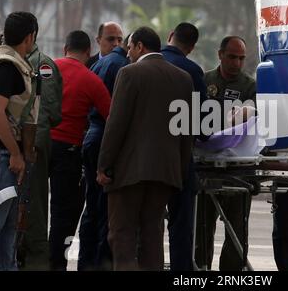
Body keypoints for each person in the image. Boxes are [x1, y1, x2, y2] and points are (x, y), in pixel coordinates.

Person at [96, 26, 194, 271]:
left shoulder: (129, 73)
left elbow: (116, 123)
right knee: (152, 236)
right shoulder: (183, 78)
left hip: (129, 172)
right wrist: (179, 170)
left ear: (140, 46)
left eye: (129, 47)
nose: (127, 53)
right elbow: (185, 131)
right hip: (165, 173)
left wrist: (104, 165)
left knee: (122, 235)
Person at [49, 30, 111, 271]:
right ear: (88, 53)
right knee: (63, 214)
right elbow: (111, 117)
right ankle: (56, 264)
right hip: (69, 151)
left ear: (65, 49)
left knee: (33, 209)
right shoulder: (91, 79)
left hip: (41, 146)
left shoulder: (48, 70)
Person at [195, 36, 256, 271]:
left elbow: (254, 122)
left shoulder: (250, 86)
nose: (237, 63)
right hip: (206, 166)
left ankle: (231, 274)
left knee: (237, 231)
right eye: (232, 57)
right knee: (202, 227)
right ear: (220, 54)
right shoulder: (205, 80)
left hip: (238, 168)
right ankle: (200, 269)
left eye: (241, 58)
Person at [77, 34, 130, 271]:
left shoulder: (102, 61)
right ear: (134, 47)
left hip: (92, 136)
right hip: (104, 137)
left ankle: (85, 262)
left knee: (93, 205)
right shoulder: (122, 66)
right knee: (106, 208)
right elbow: (115, 115)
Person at [17, 24, 63, 271]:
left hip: (29, 144)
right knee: (31, 205)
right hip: (31, 142)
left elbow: (49, 111)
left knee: (29, 207)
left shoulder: (40, 65)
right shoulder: (41, 64)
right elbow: (53, 112)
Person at [161, 23, 207, 271]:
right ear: (191, 47)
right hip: (179, 159)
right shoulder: (191, 71)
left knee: (148, 222)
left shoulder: (138, 66)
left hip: (144, 160)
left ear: (169, 37)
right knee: (180, 223)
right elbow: (203, 124)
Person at [0, 11, 38, 271]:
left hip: (9, 160)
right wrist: (15, 153)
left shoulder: (17, 65)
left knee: (8, 233)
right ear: (30, 37)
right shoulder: (7, 66)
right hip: (3, 159)